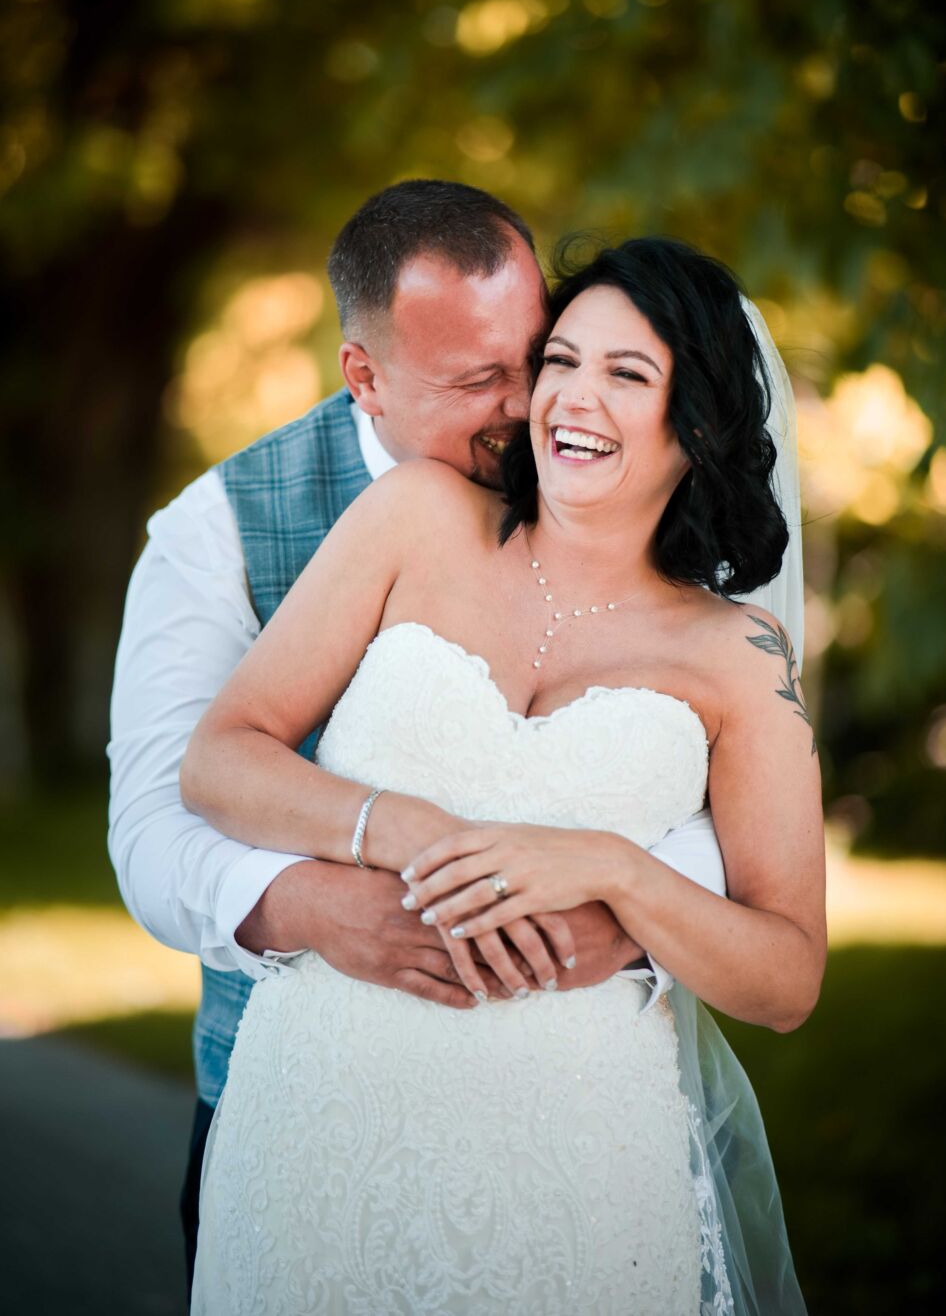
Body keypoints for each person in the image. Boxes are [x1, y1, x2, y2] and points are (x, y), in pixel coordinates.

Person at [107, 182, 749, 1291]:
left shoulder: (613, 474)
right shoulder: (213, 534)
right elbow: (155, 827)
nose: (529, 404)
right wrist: (313, 908)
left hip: (578, 1119)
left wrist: (628, 914)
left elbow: (701, 779)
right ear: (364, 375)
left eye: (534, 354)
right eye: (474, 381)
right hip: (308, 1104)